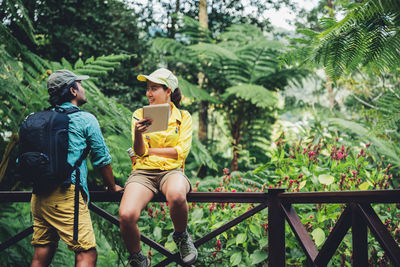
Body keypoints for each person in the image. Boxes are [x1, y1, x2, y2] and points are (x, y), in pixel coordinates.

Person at [30, 69, 123, 267]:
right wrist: (112, 186)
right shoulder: (85, 119)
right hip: (66, 195)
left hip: (38, 195)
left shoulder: (41, 118)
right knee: (87, 254)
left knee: (41, 253)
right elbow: (102, 159)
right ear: (73, 90)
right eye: (80, 84)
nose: (83, 88)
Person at [119, 68, 197, 267]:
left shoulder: (184, 117)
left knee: (178, 195)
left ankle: (181, 237)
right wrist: (138, 134)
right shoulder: (139, 114)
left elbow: (181, 152)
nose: (149, 93)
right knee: (126, 215)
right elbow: (139, 151)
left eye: (154, 88)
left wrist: (150, 151)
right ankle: (137, 256)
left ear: (168, 90)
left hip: (172, 171)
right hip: (143, 173)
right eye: (148, 89)